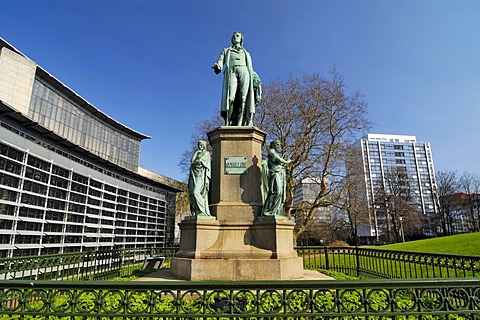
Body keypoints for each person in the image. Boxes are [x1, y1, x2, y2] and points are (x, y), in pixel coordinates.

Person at [213, 31, 257, 126]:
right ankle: (228, 122)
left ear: (241, 39)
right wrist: (218, 66)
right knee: (230, 97)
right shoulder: (226, 50)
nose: (234, 37)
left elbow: (251, 68)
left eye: (237, 36)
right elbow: (220, 60)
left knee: (243, 97)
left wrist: (255, 77)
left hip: (244, 70)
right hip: (231, 71)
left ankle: (241, 122)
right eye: (233, 36)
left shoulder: (246, 53)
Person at [262, 140, 292, 217]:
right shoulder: (271, 152)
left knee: (279, 192)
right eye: (277, 145)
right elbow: (279, 160)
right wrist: (287, 161)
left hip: (278, 173)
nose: (279, 146)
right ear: (273, 145)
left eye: (279, 145)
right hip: (274, 174)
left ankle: (274, 211)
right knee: (276, 192)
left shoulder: (274, 152)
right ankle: (268, 210)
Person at [188, 140, 211, 216]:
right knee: (191, 193)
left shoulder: (207, 153)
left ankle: (202, 211)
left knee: (196, 192)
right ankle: (196, 211)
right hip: (193, 175)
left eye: (201, 145)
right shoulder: (197, 153)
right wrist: (196, 156)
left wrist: (196, 162)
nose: (200, 147)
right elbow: (192, 162)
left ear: (204, 145)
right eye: (199, 145)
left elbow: (200, 162)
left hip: (200, 176)